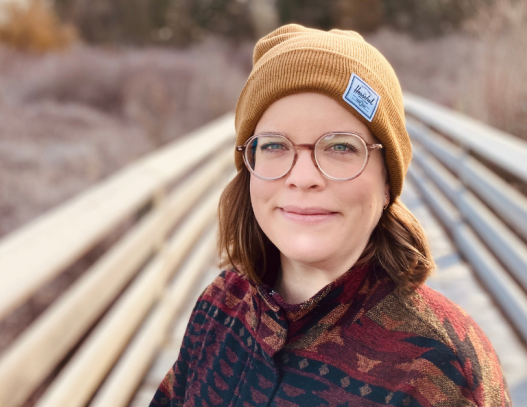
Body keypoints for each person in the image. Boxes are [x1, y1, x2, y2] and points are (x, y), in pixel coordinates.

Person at [150, 24, 512, 406]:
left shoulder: (441, 366)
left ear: (387, 180)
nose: (303, 178)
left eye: (341, 147)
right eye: (274, 145)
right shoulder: (220, 306)